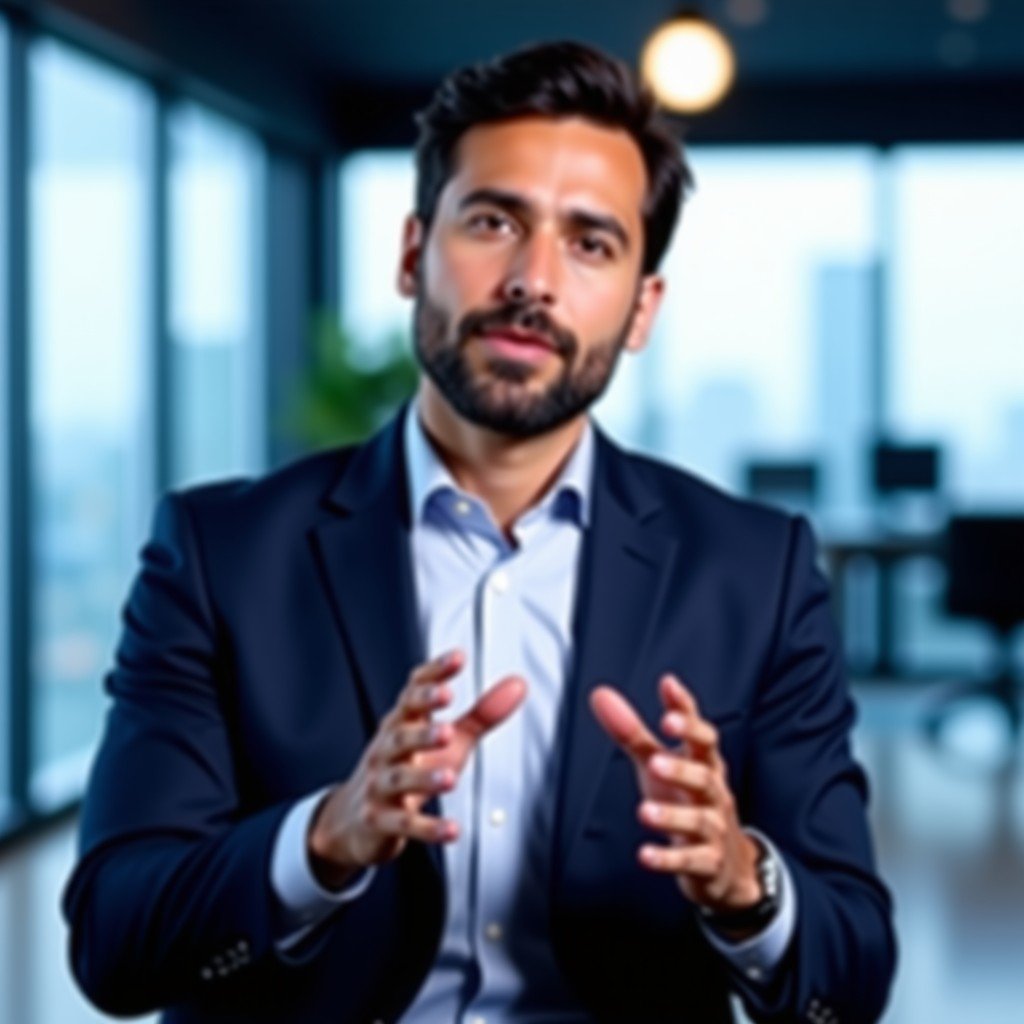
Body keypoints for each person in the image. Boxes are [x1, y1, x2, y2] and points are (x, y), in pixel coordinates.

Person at [64, 40, 896, 1024]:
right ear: (414, 252)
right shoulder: (219, 553)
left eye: (591, 243)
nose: (532, 279)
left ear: (641, 308)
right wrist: (322, 841)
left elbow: (850, 977)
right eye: (494, 220)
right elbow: (114, 947)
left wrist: (741, 881)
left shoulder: (753, 572)